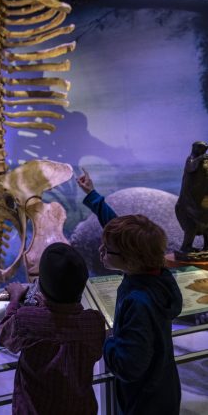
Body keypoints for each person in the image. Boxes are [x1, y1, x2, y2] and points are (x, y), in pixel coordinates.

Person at [77, 169, 183, 415]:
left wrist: (106, 339)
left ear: (131, 260)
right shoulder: (159, 277)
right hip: (164, 388)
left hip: (143, 402)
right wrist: (92, 195)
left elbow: (128, 366)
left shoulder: (139, 302)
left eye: (107, 250)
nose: (101, 251)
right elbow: (119, 231)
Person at [0, 242, 106, 415]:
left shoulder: (26, 320)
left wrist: (15, 299)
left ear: (42, 286)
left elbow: (4, 336)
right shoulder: (95, 322)